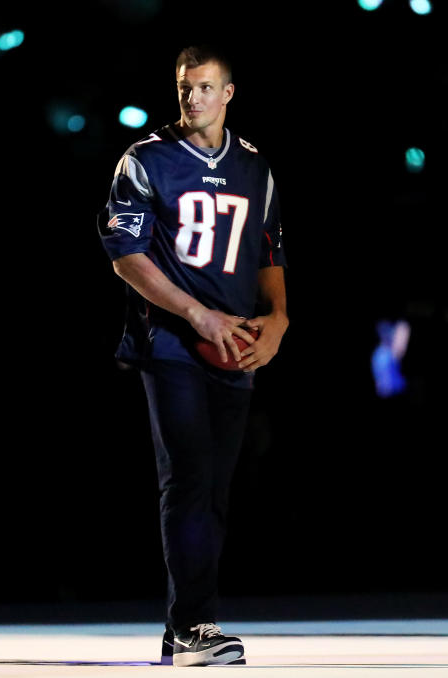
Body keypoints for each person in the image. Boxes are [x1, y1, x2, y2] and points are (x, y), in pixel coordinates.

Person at [97, 45, 288, 667]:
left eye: (206, 87)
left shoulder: (254, 167)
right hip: (173, 341)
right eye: (185, 87)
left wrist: (279, 319)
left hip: (235, 345)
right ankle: (193, 628)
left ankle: (185, 621)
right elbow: (127, 256)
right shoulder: (146, 159)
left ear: (228, 94)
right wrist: (195, 314)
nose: (193, 98)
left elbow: (269, 251)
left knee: (216, 489)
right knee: (189, 476)